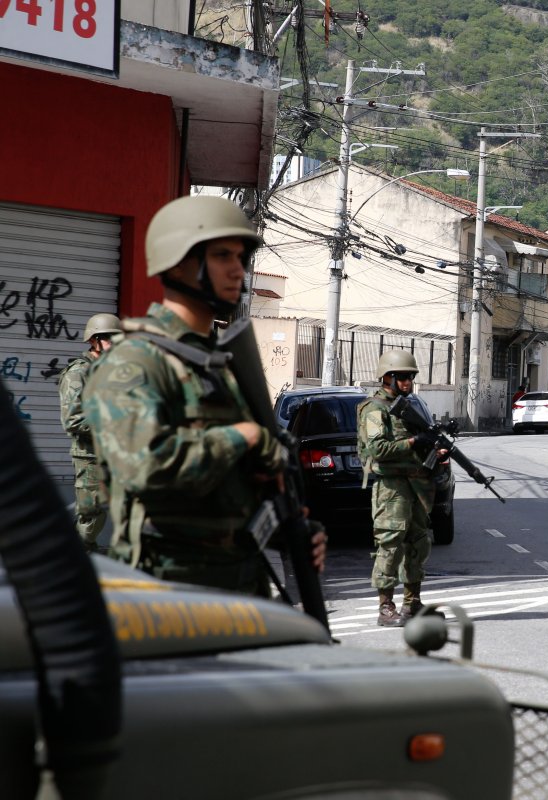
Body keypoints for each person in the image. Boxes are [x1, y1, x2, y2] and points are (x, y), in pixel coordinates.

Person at [83, 195, 325, 596]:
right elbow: (145, 468)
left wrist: (288, 528)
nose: (238, 270)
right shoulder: (135, 362)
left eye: (241, 257)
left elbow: (229, 491)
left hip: (240, 588)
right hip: (169, 595)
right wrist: (244, 436)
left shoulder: (220, 364)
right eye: (222, 256)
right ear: (178, 263)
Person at [358, 350, 444, 627]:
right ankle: (385, 608)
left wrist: (434, 452)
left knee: (418, 543)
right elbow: (378, 449)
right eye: (402, 377)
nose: (408, 382)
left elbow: (417, 446)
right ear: (387, 377)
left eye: (411, 377)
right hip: (392, 488)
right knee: (390, 545)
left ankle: (412, 604)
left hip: (416, 485)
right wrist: (414, 442)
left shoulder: (408, 407)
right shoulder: (375, 409)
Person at [58, 312, 122, 551]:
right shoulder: (79, 372)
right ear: (94, 340)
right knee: (91, 514)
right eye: (110, 339)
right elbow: (73, 420)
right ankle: (78, 556)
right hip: (91, 456)